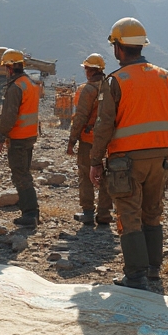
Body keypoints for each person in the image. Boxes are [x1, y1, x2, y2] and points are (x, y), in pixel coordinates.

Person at [90, 18, 168, 289]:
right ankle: (153, 270)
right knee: (152, 213)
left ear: (119, 47)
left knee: (129, 216)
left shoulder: (115, 81)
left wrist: (95, 161)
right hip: (159, 159)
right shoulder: (165, 76)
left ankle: (135, 277)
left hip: (126, 162)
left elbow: (104, 125)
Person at [0, 49, 41, 227]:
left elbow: (8, 117)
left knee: (21, 175)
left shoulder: (15, 87)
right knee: (24, 173)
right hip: (29, 136)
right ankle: (32, 211)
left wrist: (0, 137)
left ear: (10, 68)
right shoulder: (29, 83)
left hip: (19, 138)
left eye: (6, 67)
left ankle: (30, 214)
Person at [66, 53, 112, 225]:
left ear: (88, 70)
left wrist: (72, 141)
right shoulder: (111, 87)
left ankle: (87, 211)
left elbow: (80, 118)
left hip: (89, 140)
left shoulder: (88, 89)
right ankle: (104, 213)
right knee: (107, 175)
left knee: (86, 175)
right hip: (109, 140)